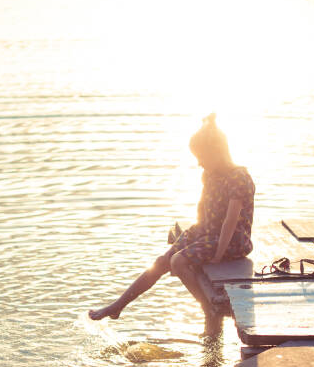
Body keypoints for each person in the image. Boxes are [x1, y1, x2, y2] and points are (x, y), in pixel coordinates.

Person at [88, 113, 255, 333]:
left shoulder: (238, 178)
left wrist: (218, 254)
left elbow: (230, 221)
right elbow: (203, 207)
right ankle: (118, 306)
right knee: (162, 261)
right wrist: (194, 233)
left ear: (217, 153)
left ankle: (208, 309)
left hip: (232, 240)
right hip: (208, 232)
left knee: (178, 262)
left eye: (202, 156)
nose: (199, 162)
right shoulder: (209, 174)